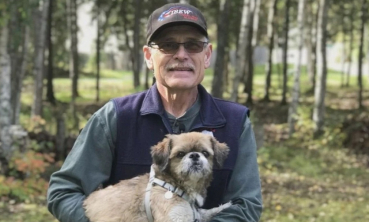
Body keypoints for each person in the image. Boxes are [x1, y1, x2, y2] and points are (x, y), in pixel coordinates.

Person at [47, 2, 262, 222]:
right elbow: (64, 191)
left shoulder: (235, 122)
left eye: (193, 45)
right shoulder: (116, 116)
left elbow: (246, 206)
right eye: (168, 45)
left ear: (207, 55)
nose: (181, 54)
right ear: (149, 56)